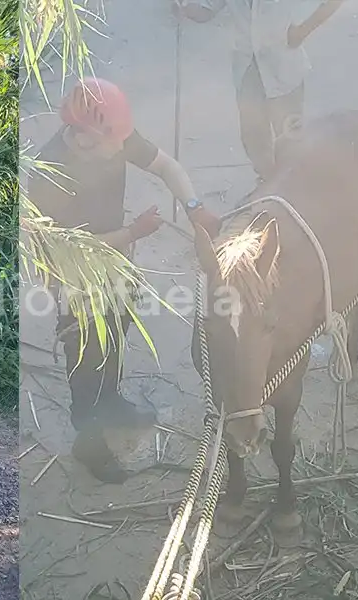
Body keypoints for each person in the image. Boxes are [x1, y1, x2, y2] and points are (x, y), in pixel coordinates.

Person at [26, 77, 217, 484]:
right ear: (85, 136)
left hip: (117, 266)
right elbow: (65, 249)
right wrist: (134, 232)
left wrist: (195, 207)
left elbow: (167, 165)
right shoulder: (51, 172)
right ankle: (88, 440)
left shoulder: (114, 133)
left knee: (116, 332)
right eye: (116, 141)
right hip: (75, 276)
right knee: (86, 352)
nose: (124, 149)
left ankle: (111, 401)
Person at [174, 0, 346, 182]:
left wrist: (302, 31)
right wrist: (186, 9)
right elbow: (208, 9)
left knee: (290, 136)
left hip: (283, 70)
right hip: (247, 70)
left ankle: (294, 185)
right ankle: (268, 182)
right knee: (253, 136)